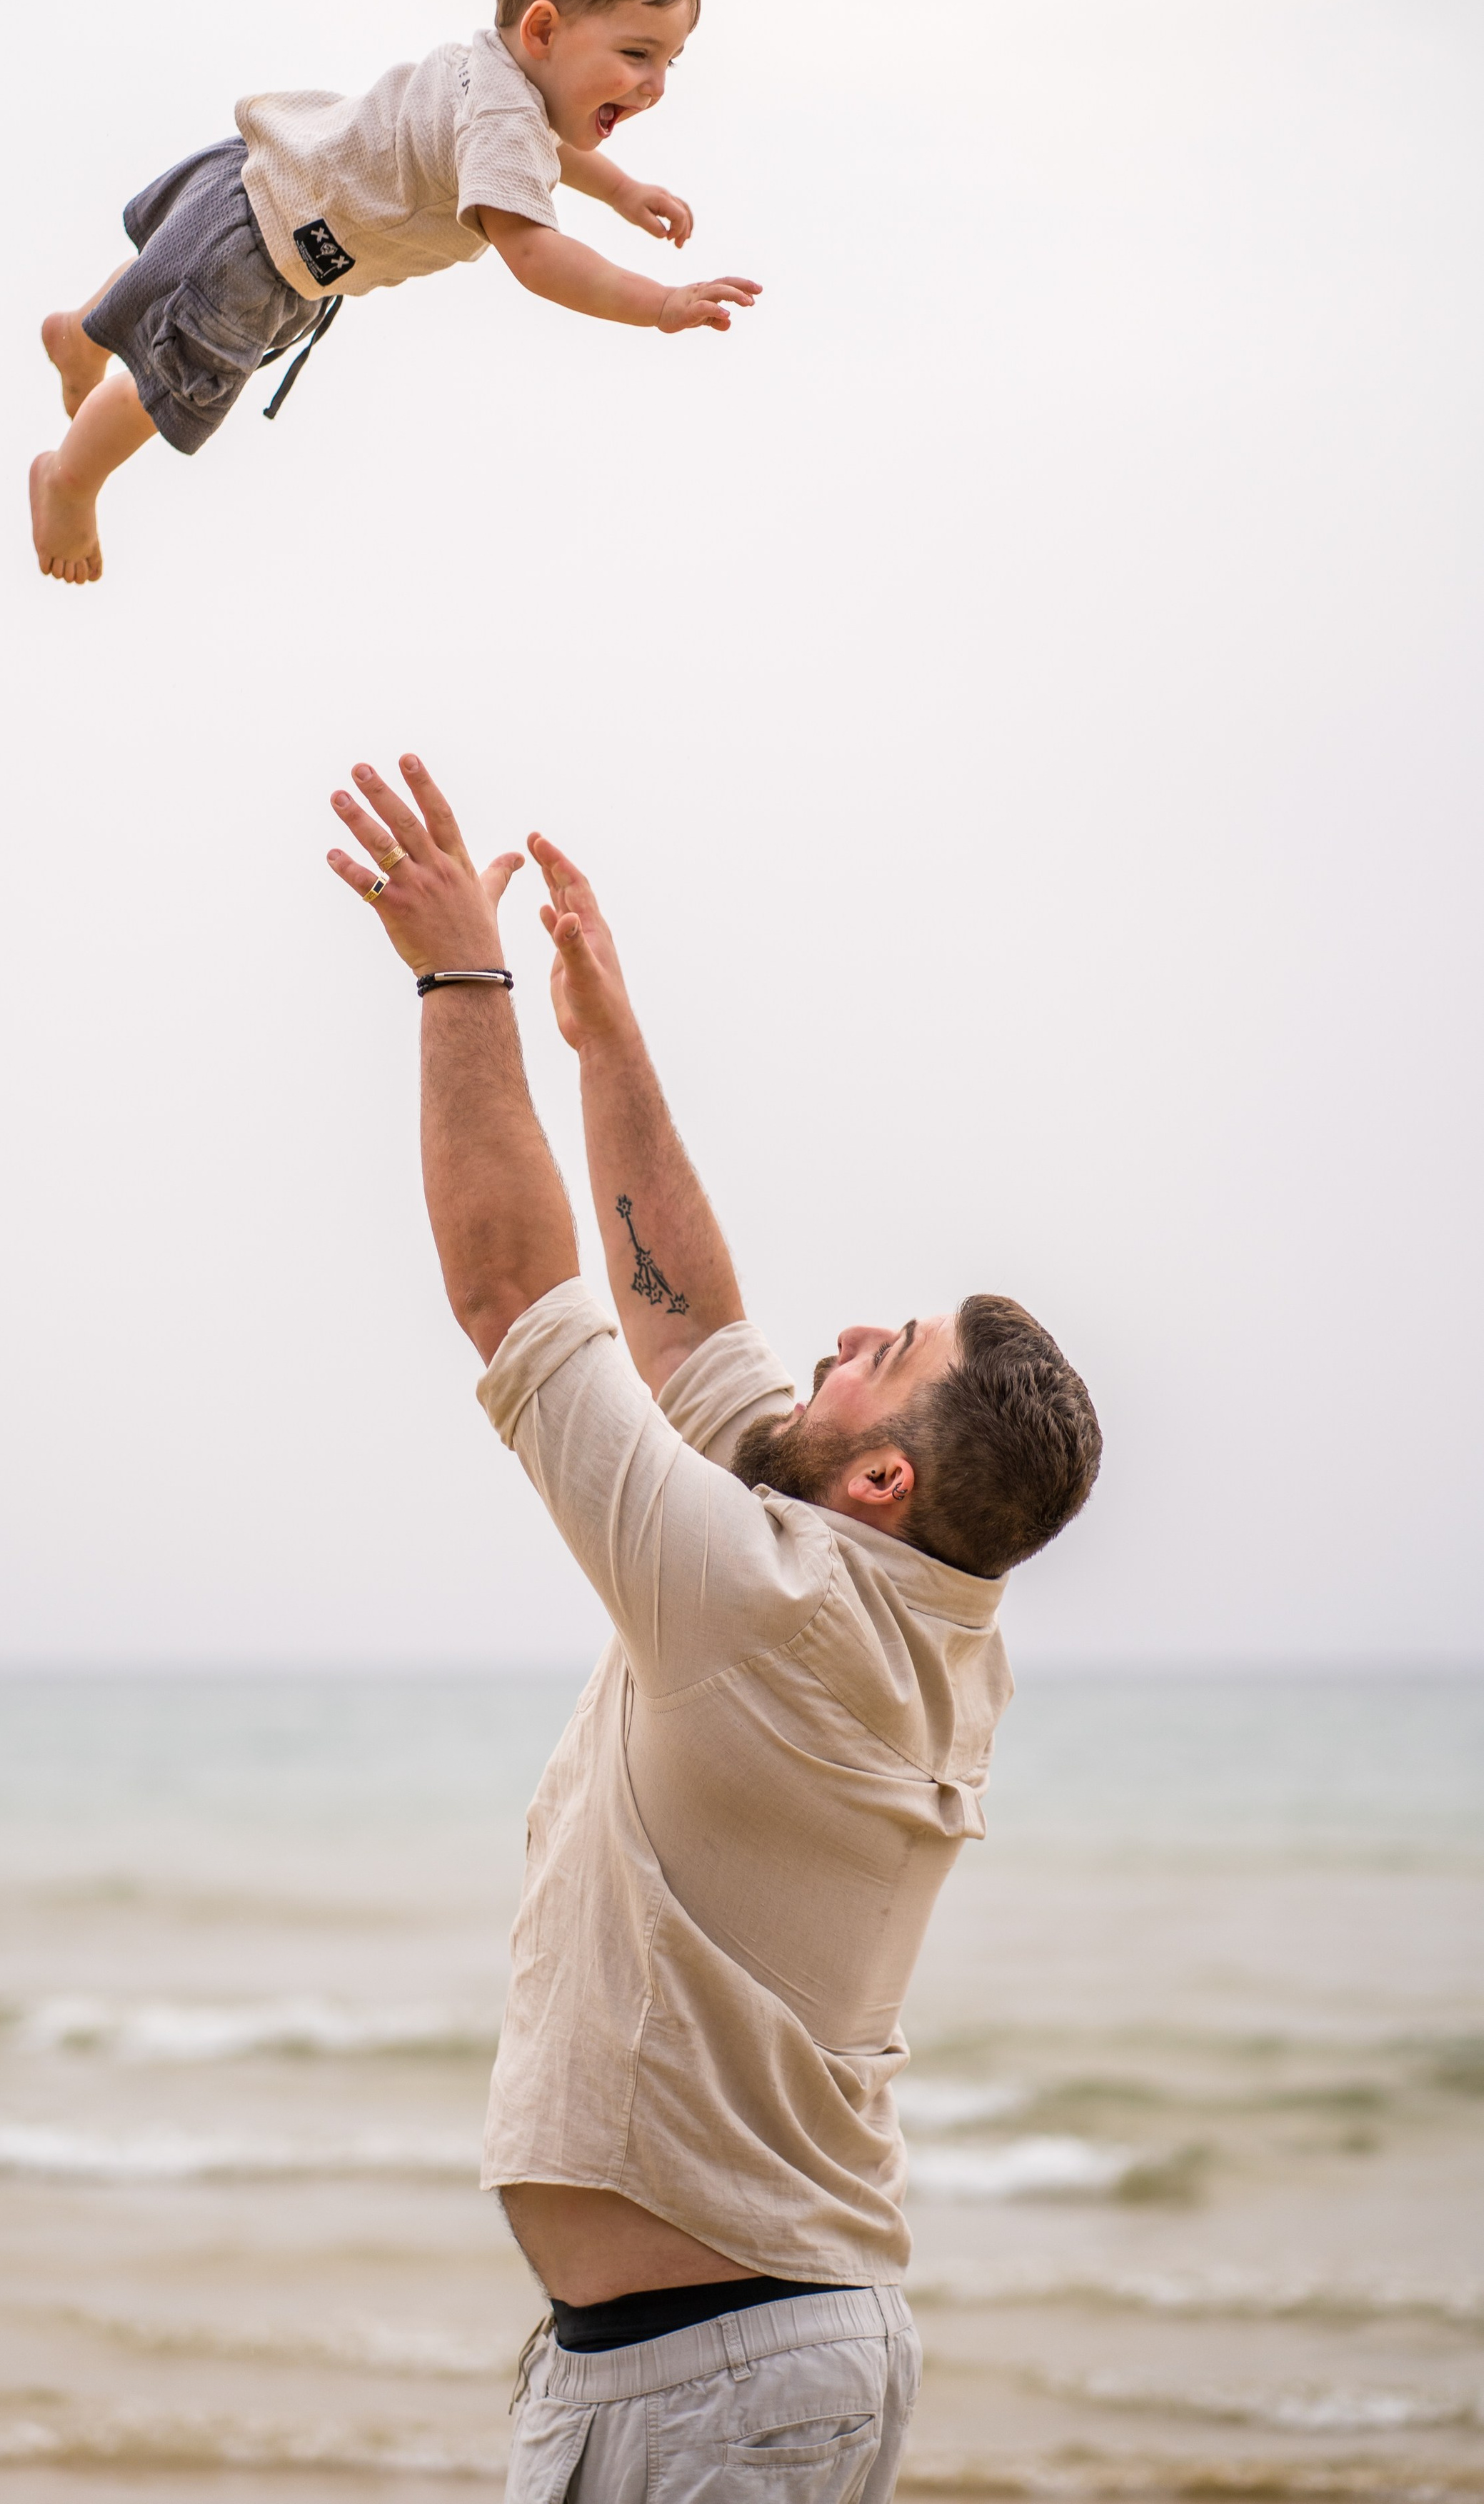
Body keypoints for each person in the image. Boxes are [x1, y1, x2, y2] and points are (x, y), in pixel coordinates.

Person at [325, 755, 1103, 2504]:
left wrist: (464, 984)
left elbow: (514, 1303)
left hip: (718, 2381)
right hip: (723, 2363)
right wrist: (608, 1047)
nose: (834, 1336)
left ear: (886, 1472)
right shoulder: (900, 1594)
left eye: (876, 1347)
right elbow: (696, 1341)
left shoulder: (776, 1614)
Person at [31, 0, 760, 584]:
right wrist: (658, 304)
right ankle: (69, 479)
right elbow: (538, 255)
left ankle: (80, 328)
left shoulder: (491, 70)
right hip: (263, 260)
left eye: (669, 60)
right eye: (636, 54)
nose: (655, 86)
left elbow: (542, 146)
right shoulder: (507, 126)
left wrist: (622, 190)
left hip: (251, 179)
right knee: (162, 387)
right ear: (543, 29)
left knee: (166, 273)